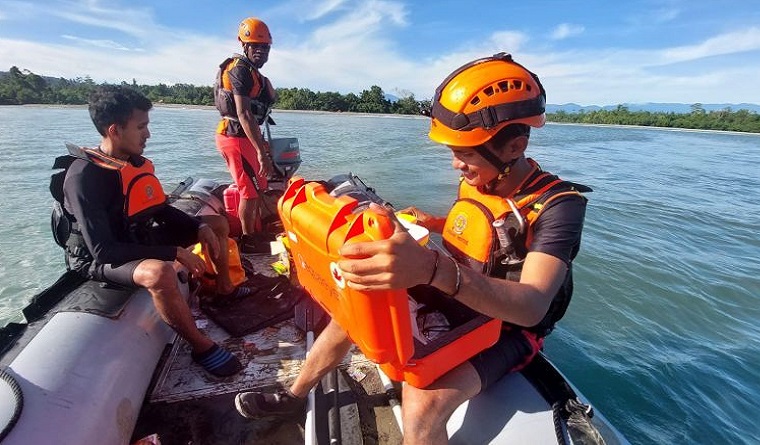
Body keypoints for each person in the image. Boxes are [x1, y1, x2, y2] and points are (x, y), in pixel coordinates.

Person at [234, 53, 588, 444]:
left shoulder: (559, 205)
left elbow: (533, 304)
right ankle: (294, 395)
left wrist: (431, 269)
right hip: (462, 294)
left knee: (421, 404)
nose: (456, 165)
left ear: (514, 147)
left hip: (507, 329)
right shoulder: (481, 179)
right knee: (354, 309)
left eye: (465, 154)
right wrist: (432, 223)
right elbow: (485, 233)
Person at [55, 85, 252, 377]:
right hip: (98, 257)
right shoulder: (84, 177)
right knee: (159, 273)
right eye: (141, 127)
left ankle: (224, 288)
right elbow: (102, 250)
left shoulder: (132, 163)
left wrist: (199, 227)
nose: (148, 134)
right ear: (115, 130)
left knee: (217, 225)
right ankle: (201, 347)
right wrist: (173, 252)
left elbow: (160, 209)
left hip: (136, 237)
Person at [214, 17, 278, 254]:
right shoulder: (240, 70)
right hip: (234, 137)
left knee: (257, 186)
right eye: (255, 46)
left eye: (265, 47)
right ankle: (247, 239)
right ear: (244, 45)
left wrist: (261, 147)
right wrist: (261, 152)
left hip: (247, 137)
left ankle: (254, 232)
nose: (261, 51)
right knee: (249, 192)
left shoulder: (252, 73)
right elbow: (243, 113)